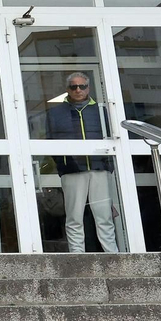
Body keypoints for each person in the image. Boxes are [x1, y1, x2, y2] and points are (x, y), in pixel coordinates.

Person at [46, 71, 121, 253]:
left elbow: (112, 137)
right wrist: (63, 163)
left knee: (103, 214)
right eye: (73, 86)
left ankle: (112, 253)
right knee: (74, 216)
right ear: (67, 89)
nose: (78, 90)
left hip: (99, 167)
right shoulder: (55, 113)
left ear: (89, 88)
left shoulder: (102, 110)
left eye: (82, 86)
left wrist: (107, 163)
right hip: (71, 169)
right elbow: (50, 141)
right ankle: (77, 254)